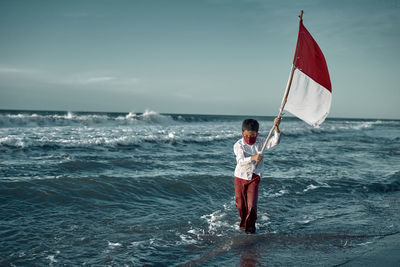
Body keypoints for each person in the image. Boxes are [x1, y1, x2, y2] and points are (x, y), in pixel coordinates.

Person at [233, 117, 281, 233]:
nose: (250, 138)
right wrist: (253, 158)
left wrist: (276, 127)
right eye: (247, 135)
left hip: (255, 176)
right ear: (242, 133)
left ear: (257, 134)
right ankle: (243, 224)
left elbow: (275, 141)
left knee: (252, 205)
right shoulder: (238, 145)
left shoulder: (261, 142)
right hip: (240, 176)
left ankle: (250, 231)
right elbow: (240, 161)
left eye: (253, 135)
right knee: (240, 203)